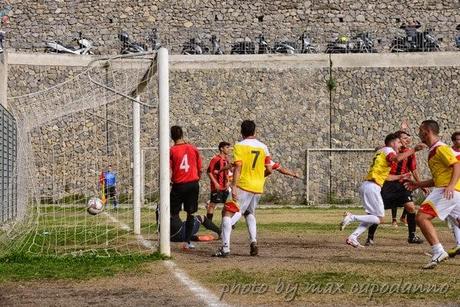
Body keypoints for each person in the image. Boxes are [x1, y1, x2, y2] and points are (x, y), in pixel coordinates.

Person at [340, 133, 425, 248]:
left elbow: (387, 177)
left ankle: (353, 237)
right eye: (399, 142)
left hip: (369, 186)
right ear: (392, 142)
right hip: (372, 187)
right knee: (379, 218)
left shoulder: (381, 152)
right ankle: (352, 217)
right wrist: (414, 149)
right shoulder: (388, 150)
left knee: (373, 217)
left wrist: (400, 177)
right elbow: (396, 158)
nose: (400, 145)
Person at [405, 121, 460, 269]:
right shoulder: (433, 150)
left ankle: (438, 251)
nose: (418, 133)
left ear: (426, 131)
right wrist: (418, 184)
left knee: (421, 218)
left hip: (446, 191)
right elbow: (436, 179)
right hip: (451, 191)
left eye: (420, 130)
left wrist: (450, 185)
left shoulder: (440, 148)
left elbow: (456, 165)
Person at [214, 120, 272, 257]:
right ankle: (253, 241)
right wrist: (258, 177)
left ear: (241, 132)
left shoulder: (239, 146)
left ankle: (225, 248)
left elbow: (238, 167)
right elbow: (269, 169)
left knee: (227, 213)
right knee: (249, 213)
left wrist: (233, 186)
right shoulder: (263, 147)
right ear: (255, 131)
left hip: (243, 185)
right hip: (257, 187)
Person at [366, 130, 425, 246]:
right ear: (397, 141)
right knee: (378, 212)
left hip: (402, 183)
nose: (407, 140)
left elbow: (413, 169)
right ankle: (370, 237)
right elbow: (385, 150)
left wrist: (420, 184)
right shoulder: (390, 150)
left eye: (408, 138)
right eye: (404, 138)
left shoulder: (409, 152)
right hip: (388, 182)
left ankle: (412, 236)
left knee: (411, 207)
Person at [230, 160, 301, 227]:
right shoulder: (267, 161)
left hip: (245, 187)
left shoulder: (248, 158)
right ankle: (253, 239)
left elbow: (235, 166)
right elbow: (282, 170)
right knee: (249, 212)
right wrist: (294, 174)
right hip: (257, 189)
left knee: (239, 209)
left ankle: (226, 227)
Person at [169, 125, 202, 250]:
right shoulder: (193, 148)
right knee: (191, 213)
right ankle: (187, 242)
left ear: (172, 136)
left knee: (172, 212)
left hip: (179, 185)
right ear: (182, 134)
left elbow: (167, 169)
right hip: (193, 184)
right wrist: (196, 179)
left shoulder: (171, 151)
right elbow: (200, 169)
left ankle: (170, 235)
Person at [206, 141, 231, 222]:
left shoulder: (226, 160)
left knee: (227, 206)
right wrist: (215, 183)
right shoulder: (215, 159)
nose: (228, 149)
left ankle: (226, 222)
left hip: (225, 187)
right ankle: (208, 222)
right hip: (217, 186)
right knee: (212, 204)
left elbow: (227, 172)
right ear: (221, 148)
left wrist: (228, 182)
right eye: (227, 147)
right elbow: (209, 172)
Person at [446, 131, 460, 258]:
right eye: (456, 139)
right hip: (453, 187)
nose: (458, 141)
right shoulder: (449, 152)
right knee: (454, 217)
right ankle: (458, 244)